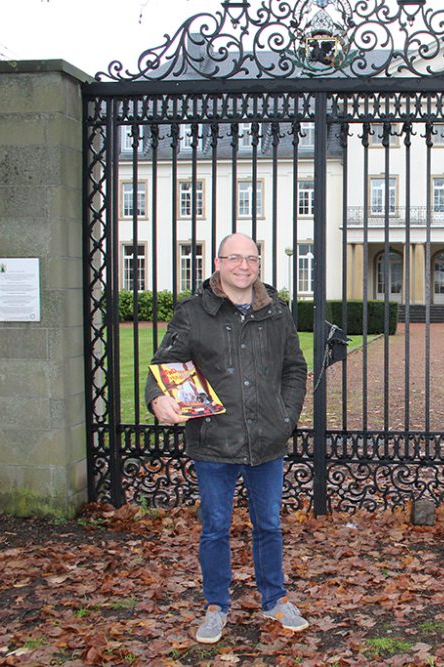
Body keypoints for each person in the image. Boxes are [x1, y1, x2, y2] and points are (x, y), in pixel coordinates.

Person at [145, 233, 308, 641]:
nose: (243, 266)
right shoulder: (193, 313)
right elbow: (165, 364)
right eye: (234, 258)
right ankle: (216, 605)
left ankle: (275, 599)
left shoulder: (276, 311)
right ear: (218, 262)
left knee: (268, 525)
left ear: (258, 264)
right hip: (214, 440)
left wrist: (286, 418)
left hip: (266, 439)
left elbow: (294, 368)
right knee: (215, 527)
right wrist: (157, 400)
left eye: (251, 259)